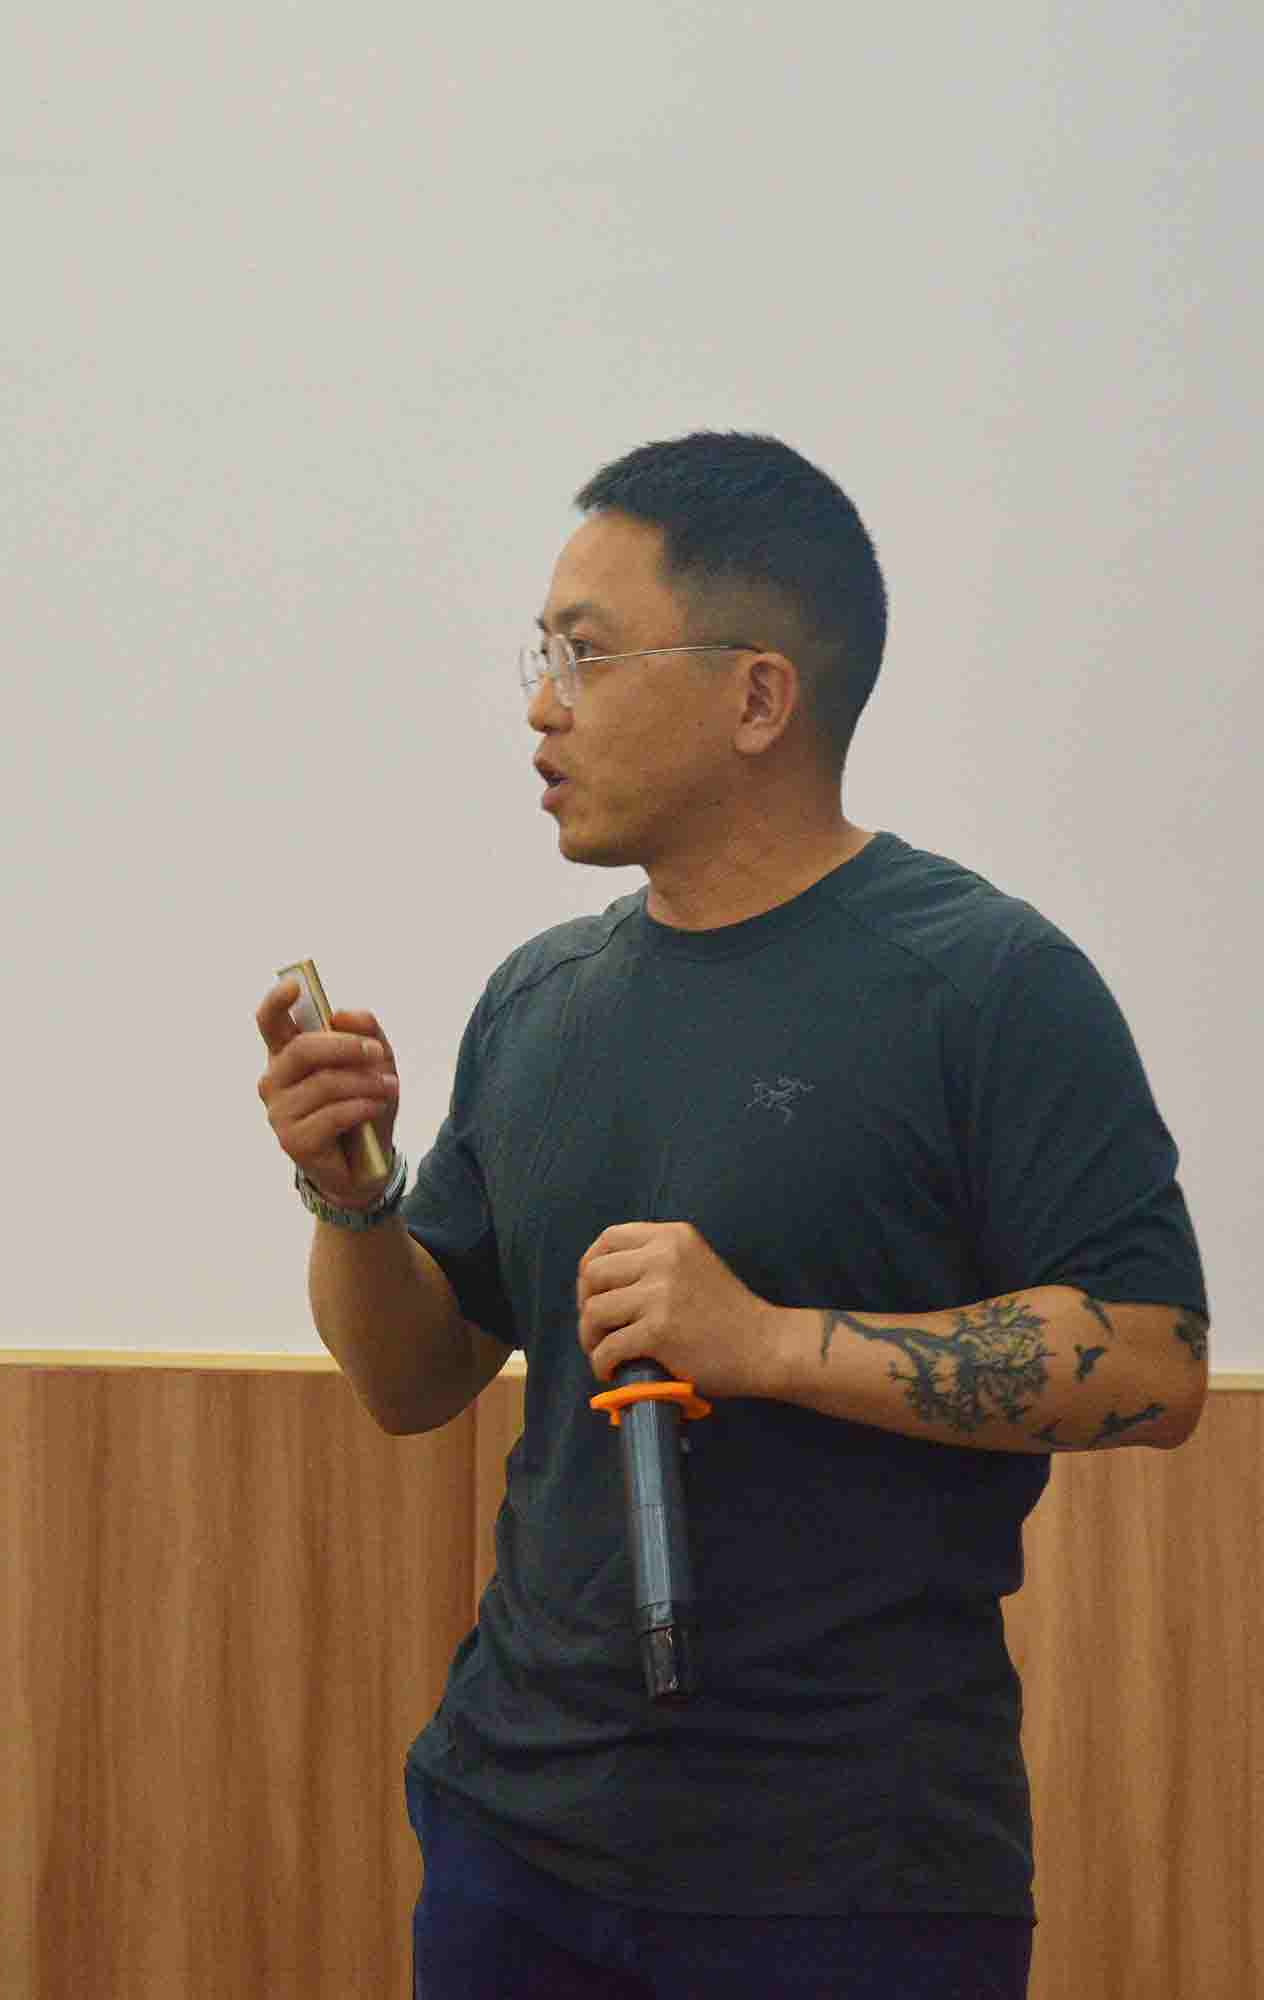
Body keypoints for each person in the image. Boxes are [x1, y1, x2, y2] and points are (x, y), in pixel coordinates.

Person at [252, 432, 1210, 2000]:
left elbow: (1154, 1364)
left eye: (589, 653)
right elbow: (412, 1381)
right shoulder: (544, 1001)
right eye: (541, 654)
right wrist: (351, 1201)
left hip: (854, 1878)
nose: (542, 702)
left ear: (760, 698)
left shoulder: (985, 984)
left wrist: (765, 1343)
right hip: (515, 1834)